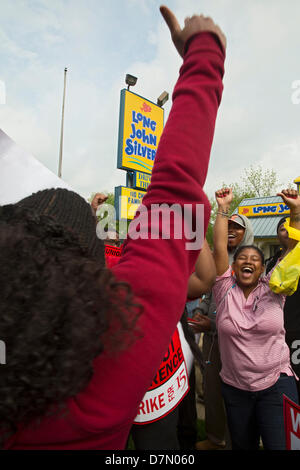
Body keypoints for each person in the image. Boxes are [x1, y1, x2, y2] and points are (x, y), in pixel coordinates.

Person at [0, 6, 226, 450]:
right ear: (91, 259)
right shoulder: (117, 324)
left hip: (166, 400)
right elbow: (175, 191)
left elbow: (200, 271)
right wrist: (203, 57)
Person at [212, 186, 300, 451]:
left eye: (254, 259)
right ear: (233, 267)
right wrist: (223, 209)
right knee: (243, 445)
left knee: (283, 445)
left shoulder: (275, 287)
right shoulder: (224, 289)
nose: (247, 262)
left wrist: (295, 211)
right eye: (241, 259)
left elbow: (295, 248)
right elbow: (218, 245)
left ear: (263, 268)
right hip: (235, 389)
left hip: (276, 384)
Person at [191, 210, 253, 450]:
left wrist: (214, 324)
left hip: (237, 343)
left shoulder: (251, 261)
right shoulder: (220, 259)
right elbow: (209, 292)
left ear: (247, 232)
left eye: (237, 227)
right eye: (227, 226)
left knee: (234, 395)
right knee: (212, 390)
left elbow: (249, 312)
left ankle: (232, 441)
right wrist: (201, 310)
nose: (231, 230)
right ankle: (215, 439)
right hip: (212, 340)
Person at [266, 217, 300, 399]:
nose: (287, 231)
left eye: (290, 227)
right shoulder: (271, 262)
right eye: (282, 228)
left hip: (297, 333)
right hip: (276, 334)